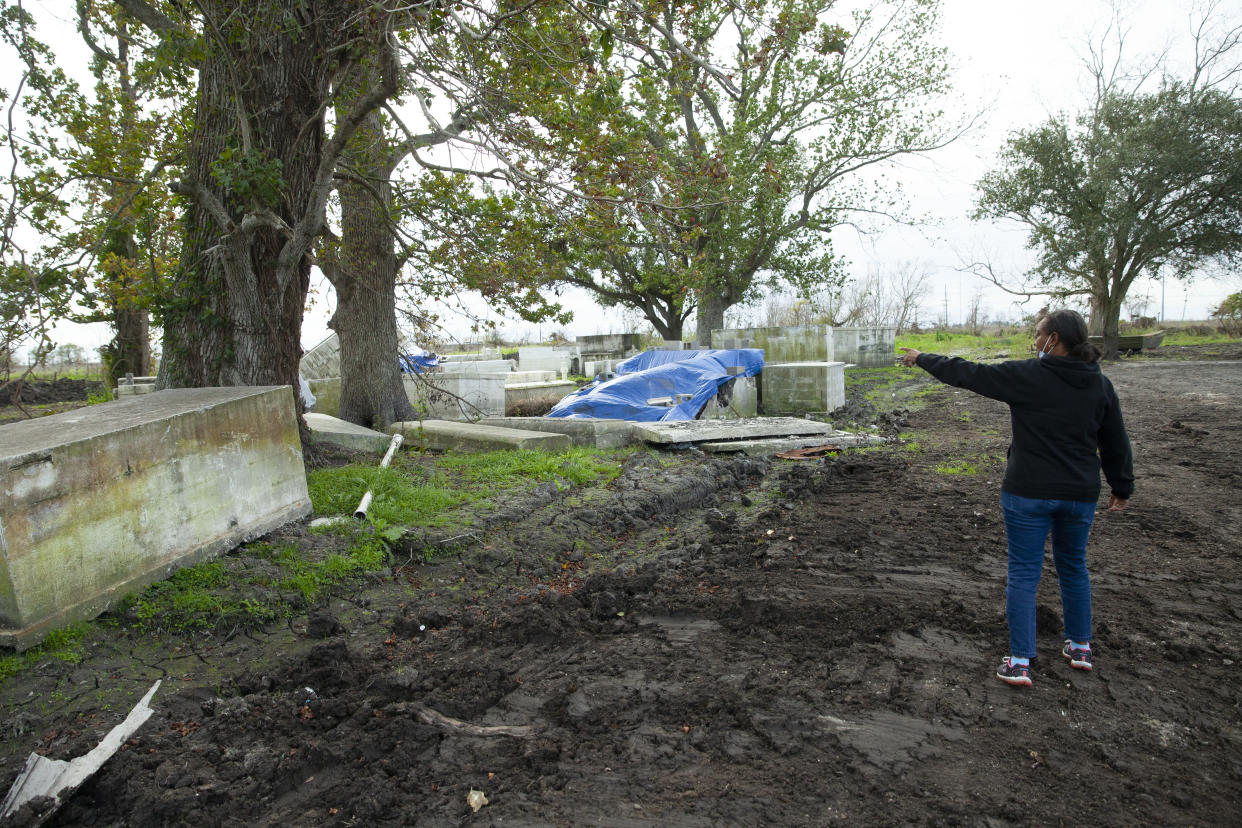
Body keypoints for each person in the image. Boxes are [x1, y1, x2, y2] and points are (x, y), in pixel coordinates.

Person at [898, 310, 1133, 688]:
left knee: (1024, 571)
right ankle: (1080, 647)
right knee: (1073, 566)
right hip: (1079, 496)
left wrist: (923, 358)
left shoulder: (1029, 376)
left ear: (1053, 339)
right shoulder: (1100, 385)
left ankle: (1021, 660)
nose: (1034, 341)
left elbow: (971, 374)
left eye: (1038, 335)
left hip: (1028, 492)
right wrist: (1121, 488)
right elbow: (1116, 442)